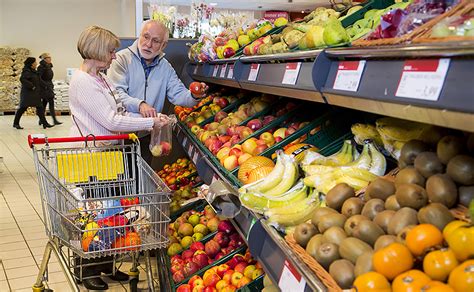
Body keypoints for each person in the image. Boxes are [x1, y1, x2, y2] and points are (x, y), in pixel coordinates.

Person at [69, 25, 170, 290]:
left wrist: (149, 117)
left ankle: (107, 264)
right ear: (98, 50)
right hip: (91, 157)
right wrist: (150, 124)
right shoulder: (83, 82)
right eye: (111, 51)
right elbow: (110, 120)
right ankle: (87, 269)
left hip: (108, 155)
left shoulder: (100, 77)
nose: (115, 56)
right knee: (96, 215)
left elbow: (120, 108)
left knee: (113, 213)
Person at [108, 19, 208, 164]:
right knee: (119, 183)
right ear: (140, 35)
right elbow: (116, 94)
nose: (148, 44)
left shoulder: (165, 67)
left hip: (145, 135)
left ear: (163, 45)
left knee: (140, 180)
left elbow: (178, 94)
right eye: (146, 37)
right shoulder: (121, 59)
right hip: (120, 135)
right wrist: (140, 104)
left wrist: (194, 95)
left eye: (155, 41)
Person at [13, 57, 53, 129]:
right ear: (31, 64)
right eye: (35, 62)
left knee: (40, 108)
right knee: (22, 108)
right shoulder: (26, 71)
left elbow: (39, 80)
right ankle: (16, 123)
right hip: (28, 94)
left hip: (35, 94)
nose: (36, 63)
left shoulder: (34, 71)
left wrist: (46, 86)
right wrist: (31, 86)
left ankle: (45, 123)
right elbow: (22, 79)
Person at [37, 52, 62, 125]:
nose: (50, 59)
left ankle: (41, 120)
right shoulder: (41, 67)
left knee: (44, 103)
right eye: (48, 58)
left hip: (48, 86)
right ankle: (54, 120)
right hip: (45, 88)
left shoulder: (48, 66)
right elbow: (39, 78)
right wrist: (45, 85)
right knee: (51, 103)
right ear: (44, 59)